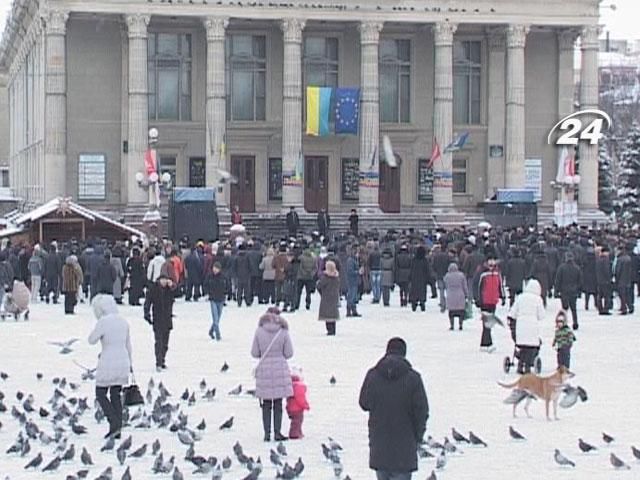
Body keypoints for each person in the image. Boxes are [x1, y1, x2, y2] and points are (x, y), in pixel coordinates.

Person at [359, 337, 429, 480]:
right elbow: (422, 411)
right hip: (405, 444)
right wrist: (418, 436)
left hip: (380, 443)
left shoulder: (373, 375)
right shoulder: (414, 378)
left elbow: (364, 403)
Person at [88, 295, 133, 439]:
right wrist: (130, 364)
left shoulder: (103, 322)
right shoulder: (123, 321)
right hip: (123, 361)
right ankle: (117, 428)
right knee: (115, 394)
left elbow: (91, 340)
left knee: (100, 393)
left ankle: (113, 421)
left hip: (107, 361)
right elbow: (128, 345)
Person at [251, 311, 294, 442]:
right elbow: (289, 353)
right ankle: (277, 432)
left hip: (264, 369)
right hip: (279, 369)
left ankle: (266, 433)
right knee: (277, 404)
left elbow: (254, 352)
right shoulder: (283, 331)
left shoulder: (259, 331)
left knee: (266, 404)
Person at [508, 279, 545, 373]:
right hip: (532, 325)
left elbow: (513, 313)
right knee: (531, 347)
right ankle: (528, 366)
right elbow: (541, 316)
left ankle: (520, 364)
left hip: (520, 325)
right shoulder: (538, 299)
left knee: (522, 345)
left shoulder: (520, 297)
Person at [145, 274, 175, 371]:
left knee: (165, 343)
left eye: (165, 280)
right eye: (162, 280)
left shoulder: (169, 290)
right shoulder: (153, 289)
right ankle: (158, 362)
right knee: (159, 342)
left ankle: (162, 360)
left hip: (167, 319)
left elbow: (177, 294)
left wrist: (172, 287)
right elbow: (148, 302)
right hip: (157, 319)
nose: (164, 282)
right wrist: (147, 314)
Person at [474, 256, 505, 353]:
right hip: (484, 301)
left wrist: (502, 296)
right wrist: (477, 299)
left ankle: (485, 343)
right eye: (490, 260)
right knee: (487, 323)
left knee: (489, 323)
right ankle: (488, 343)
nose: (492, 262)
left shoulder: (497, 272)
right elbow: (476, 286)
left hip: (493, 301)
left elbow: (500, 285)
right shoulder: (482, 273)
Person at [555, 252, 582, 330]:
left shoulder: (561, 268)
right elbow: (580, 281)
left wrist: (556, 291)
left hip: (564, 291)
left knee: (564, 309)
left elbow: (558, 280)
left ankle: (564, 323)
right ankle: (575, 323)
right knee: (574, 309)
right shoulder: (577, 268)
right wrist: (578, 290)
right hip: (573, 291)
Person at [317, 260, 340, 335]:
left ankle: (329, 329)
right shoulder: (336, 278)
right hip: (334, 297)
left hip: (326, 297)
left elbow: (319, 286)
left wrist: (321, 293)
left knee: (327, 314)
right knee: (333, 313)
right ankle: (333, 329)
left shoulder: (325, 278)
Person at [203, 262, 226, 341]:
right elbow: (205, 285)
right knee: (215, 318)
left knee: (218, 318)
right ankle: (218, 335)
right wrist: (207, 293)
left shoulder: (223, 277)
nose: (215, 270)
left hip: (221, 299)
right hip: (213, 298)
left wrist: (226, 292)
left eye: (217, 268)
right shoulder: (209, 276)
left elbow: (227, 285)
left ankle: (211, 331)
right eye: (214, 268)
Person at [286, 367, 310, 439]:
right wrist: (306, 405)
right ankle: (294, 434)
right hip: (297, 409)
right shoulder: (299, 387)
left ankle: (298, 432)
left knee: (295, 422)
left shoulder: (290, 386)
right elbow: (300, 399)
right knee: (297, 422)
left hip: (290, 408)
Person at [443, 263, 468, 331]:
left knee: (451, 312)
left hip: (450, 294)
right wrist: (466, 294)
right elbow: (464, 286)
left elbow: (445, 284)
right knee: (460, 312)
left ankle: (452, 325)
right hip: (460, 294)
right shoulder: (461, 275)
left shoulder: (447, 276)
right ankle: (460, 325)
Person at [408, 245, 432, 312]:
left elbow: (411, 268)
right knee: (422, 292)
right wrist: (428, 278)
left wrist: (409, 277)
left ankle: (414, 303)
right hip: (422, 278)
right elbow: (427, 270)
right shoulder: (424, 260)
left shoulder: (414, 260)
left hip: (414, 278)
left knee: (414, 292)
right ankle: (422, 303)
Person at [596, 247, 613, 315]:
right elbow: (606, 270)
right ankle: (606, 309)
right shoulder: (606, 260)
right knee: (606, 295)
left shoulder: (598, 259)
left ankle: (600, 308)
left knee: (600, 295)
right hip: (605, 280)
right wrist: (609, 278)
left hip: (599, 280)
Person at [345, 246, 361, 317]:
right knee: (351, 296)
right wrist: (358, 272)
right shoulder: (350, 260)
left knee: (354, 296)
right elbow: (350, 271)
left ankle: (354, 310)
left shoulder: (354, 260)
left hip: (354, 281)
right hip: (351, 281)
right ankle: (349, 311)